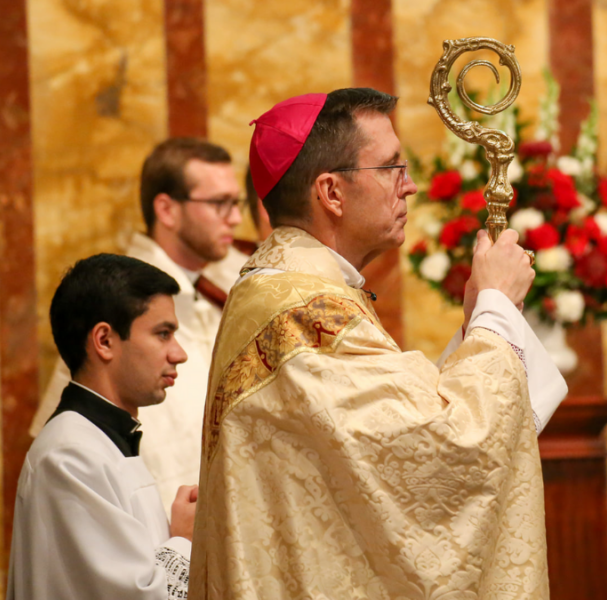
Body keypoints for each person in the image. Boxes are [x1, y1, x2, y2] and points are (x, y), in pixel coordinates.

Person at [189, 89, 568, 599]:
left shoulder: (299, 288)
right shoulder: (299, 309)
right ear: (331, 193)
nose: (409, 186)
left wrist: (480, 321)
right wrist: (496, 306)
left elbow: (391, 439)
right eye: (391, 167)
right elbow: (449, 444)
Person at [30, 138, 248, 513]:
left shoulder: (225, 293)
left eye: (237, 202)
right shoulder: (116, 303)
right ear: (166, 209)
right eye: (218, 203)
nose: (235, 218)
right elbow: (64, 446)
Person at [8, 253, 195, 599]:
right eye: (163, 334)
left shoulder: (104, 441)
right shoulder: (70, 457)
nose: (179, 353)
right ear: (104, 341)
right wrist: (184, 540)